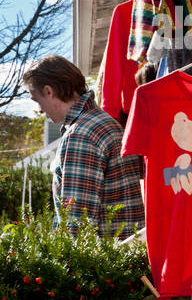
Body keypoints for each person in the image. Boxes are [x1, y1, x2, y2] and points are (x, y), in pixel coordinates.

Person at [23, 55, 144, 236]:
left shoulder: (81, 134)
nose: (40, 110)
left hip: (103, 261)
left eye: (36, 99)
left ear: (49, 91)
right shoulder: (104, 122)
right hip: (127, 253)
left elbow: (77, 225)